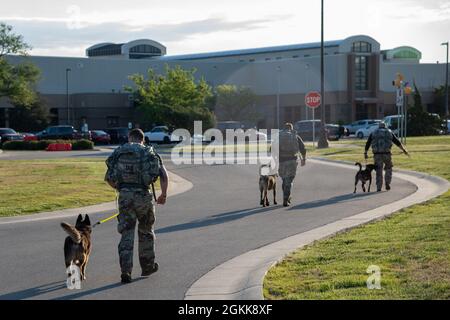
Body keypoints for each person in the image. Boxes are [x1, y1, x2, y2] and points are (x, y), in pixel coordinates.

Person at [105, 128, 169, 283]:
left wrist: (121, 189)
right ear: (143, 139)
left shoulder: (119, 152)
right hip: (143, 197)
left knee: (126, 233)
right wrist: (163, 195)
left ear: (129, 138)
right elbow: (163, 175)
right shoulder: (149, 152)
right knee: (146, 231)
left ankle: (125, 271)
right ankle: (147, 267)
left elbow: (108, 178)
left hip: (125, 197)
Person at [364, 122, 408, 192]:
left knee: (379, 170)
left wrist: (365, 152)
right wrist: (404, 150)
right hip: (387, 154)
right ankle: (387, 182)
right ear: (385, 126)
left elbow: (368, 143)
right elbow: (397, 142)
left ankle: (379, 187)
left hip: (377, 154)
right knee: (388, 168)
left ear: (379, 126)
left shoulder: (373, 133)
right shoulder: (389, 132)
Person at [277, 123, 306, 207]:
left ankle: (285, 196)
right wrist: (303, 159)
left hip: (281, 160)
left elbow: (272, 149)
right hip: (292, 160)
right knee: (289, 180)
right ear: (291, 128)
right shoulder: (295, 136)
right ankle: (286, 198)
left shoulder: (279, 136)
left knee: (284, 179)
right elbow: (303, 148)